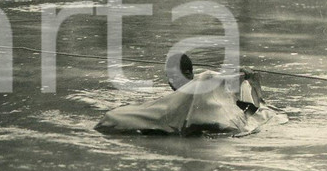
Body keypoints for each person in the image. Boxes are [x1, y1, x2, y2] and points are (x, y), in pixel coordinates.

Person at [95, 54, 287, 137]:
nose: (171, 82)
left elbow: (212, 78)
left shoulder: (204, 85)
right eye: (169, 77)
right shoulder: (175, 100)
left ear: (189, 75)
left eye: (175, 77)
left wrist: (242, 74)